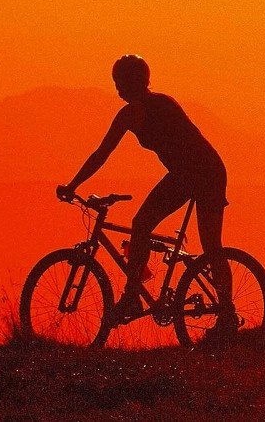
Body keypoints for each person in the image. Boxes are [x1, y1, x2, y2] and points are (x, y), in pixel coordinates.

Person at [56, 55, 234, 336]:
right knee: (209, 246)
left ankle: (132, 297)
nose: (117, 89)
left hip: (197, 173)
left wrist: (72, 185)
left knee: (152, 228)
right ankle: (224, 314)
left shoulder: (132, 113)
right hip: (201, 170)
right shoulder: (163, 101)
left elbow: (101, 153)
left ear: (131, 83)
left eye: (119, 83)